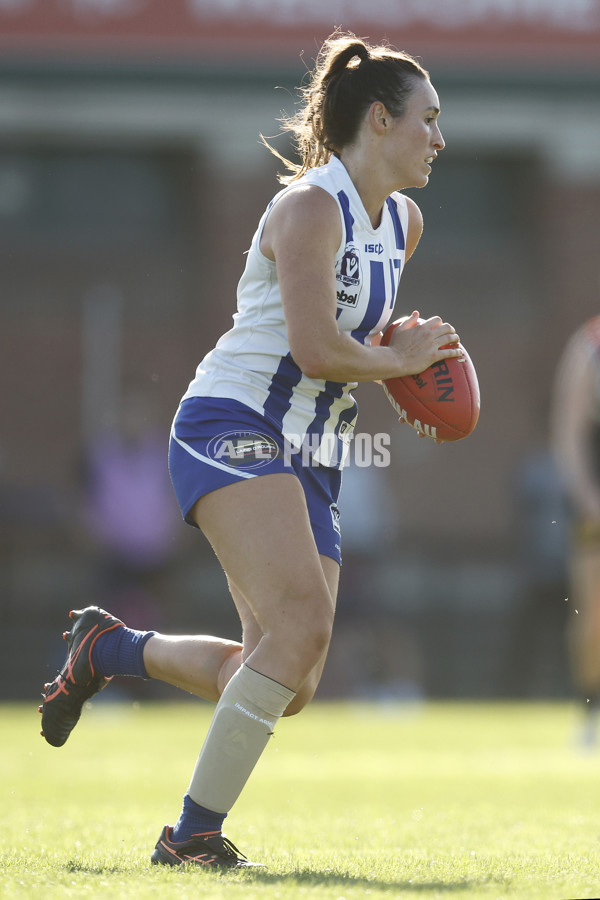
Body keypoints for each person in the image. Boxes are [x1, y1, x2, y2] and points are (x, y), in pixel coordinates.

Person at [39, 31, 461, 868]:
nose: (439, 139)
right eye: (428, 119)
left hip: (313, 451)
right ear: (379, 119)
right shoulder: (308, 207)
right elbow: (312, 348)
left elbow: (358, 341)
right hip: (231, 424)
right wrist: (397, 363)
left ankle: (109, 650)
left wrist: (410, 376)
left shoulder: (404, 221)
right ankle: (191, 836)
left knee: (290, 679)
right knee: (301, 626)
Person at [552, 316, 600, 745]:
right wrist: (589, 502)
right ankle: (590, 711)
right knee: (593, 617)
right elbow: (569, 435)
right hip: (596, 507)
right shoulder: (588, 346)